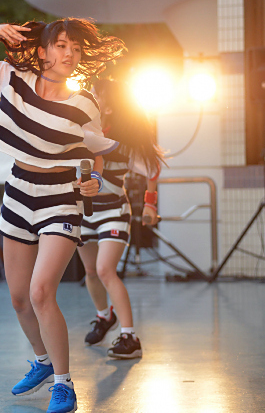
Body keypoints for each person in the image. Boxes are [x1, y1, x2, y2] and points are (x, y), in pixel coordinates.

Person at [0, 18, 124, 412]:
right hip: (17, 193)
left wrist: (95, 179)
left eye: (76, 49)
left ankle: (64, 385)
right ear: (43, 50)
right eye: (62, 45)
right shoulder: (11, 78)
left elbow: (95, 151)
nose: (70, 54)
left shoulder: (83, 103)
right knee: (19, 299)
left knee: (41, 291)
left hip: (60, 196)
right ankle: (43, 362)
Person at [77, 79, 164, 359]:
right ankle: (105, 316)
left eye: (96, 94)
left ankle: (130, 337)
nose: (90, 96)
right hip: (83, 213)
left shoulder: (124, 143)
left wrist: (150, 204)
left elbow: (152, 168)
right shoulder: (79, 131)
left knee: (105, 270)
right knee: (90, 272)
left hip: (114, 211)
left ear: (109, 108)